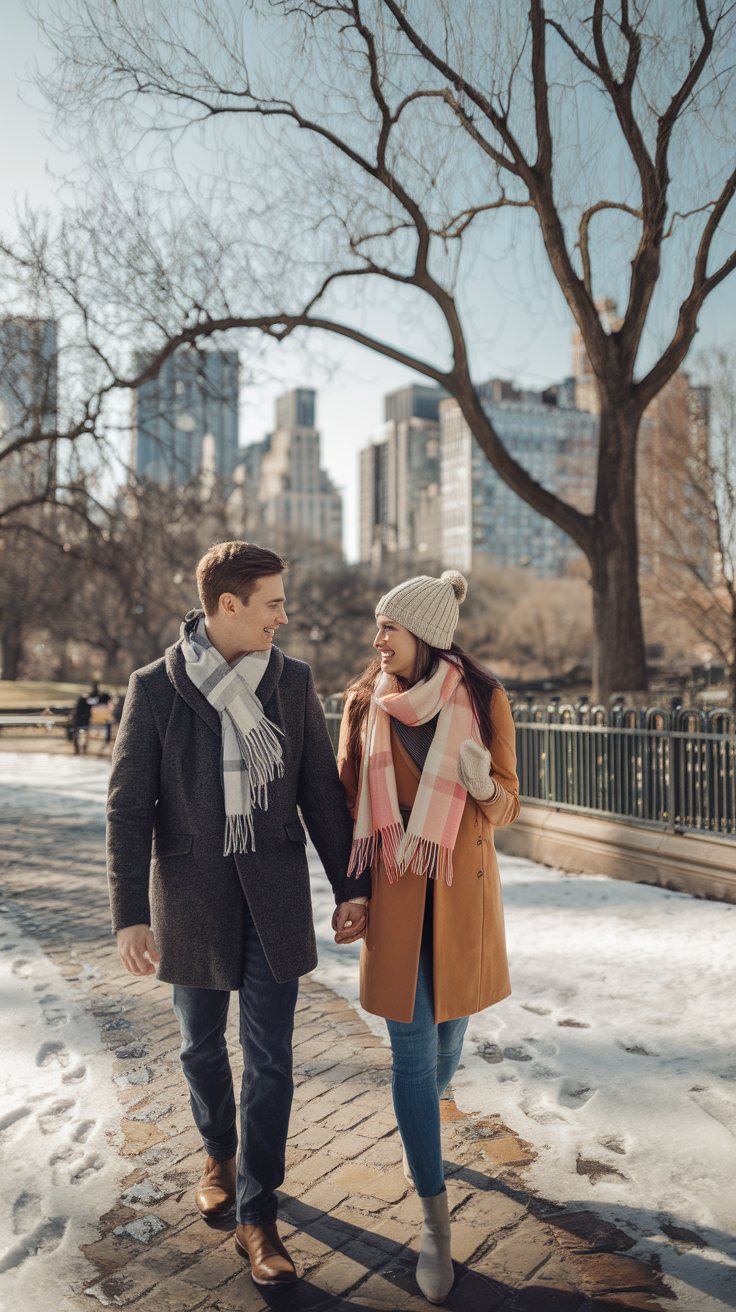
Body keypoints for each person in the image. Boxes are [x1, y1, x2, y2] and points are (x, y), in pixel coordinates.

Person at [106, 541, 369, 1287]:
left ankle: (259, 1213)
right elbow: (128, 809)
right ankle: (217, 1150)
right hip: (189, 897)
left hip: (275, 897)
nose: (284, 617)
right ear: (228, 606)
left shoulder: (292, 682)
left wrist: (353, 886)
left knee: (272, 1059)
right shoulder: (155, 687)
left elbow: (322, 792)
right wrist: (130, 914)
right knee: (199, 1048)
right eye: (273, 603)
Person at [337, 570, 519, 1305]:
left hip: (464, 902)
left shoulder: (483, 699)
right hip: (397, 899)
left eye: (390, 627)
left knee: (446, 1050)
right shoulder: (363, 705)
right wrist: (350, 891)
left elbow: (507, 808)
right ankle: (435, 1223)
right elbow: (344, 803)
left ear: (426, 635)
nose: (376, 639)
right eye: (377, 625)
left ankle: (422, 1139)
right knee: (412, 1060)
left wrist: (481, 786)